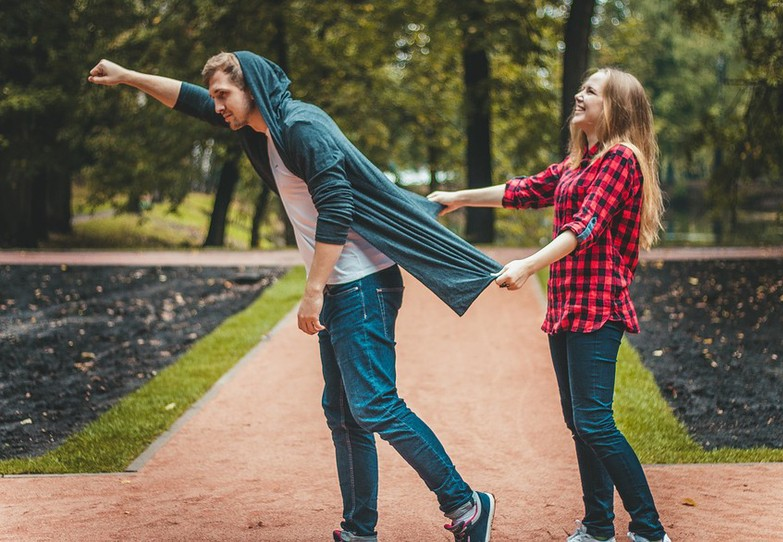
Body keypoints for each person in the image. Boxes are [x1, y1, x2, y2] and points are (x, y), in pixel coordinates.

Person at [88, 51, 497, 542]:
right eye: (216, 97)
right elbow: (190, 100)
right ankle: (358, 530)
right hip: (348, 284)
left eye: (224, 95)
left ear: (252, 88)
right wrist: (129, 76)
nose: (217, 106)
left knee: (375, 406)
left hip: (362, 283)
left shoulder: (302, 128)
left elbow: (337, 205)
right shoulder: (261, 128)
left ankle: (467, 505)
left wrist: (312, 292)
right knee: (344, 415)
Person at [429, 68, 671, 542]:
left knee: (595, 423)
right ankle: (599, 526)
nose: (579, 96)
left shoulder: (622, 160)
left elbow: (586, 225)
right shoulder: (583, 161)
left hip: (598, 308)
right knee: (580, 424)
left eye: (591, 92)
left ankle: (650, 530)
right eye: (582, 88)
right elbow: (523, 190)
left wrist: (527, 264)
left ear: (616, 107)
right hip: (567, 308)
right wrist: (457, 198)